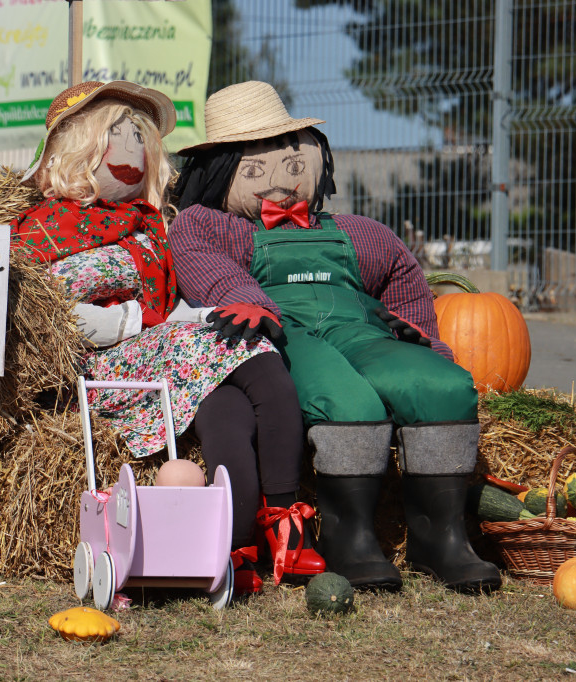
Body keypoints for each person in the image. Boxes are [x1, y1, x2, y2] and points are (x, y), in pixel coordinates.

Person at [170, 80, 502, 593]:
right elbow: (201, 261)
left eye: (289, 157)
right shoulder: (213, 224)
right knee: (345, 400)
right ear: (221, 169)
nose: (279, 177)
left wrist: (415, 329)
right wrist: (248, 300)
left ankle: (441, 538)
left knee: (442, 384)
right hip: (284, 330)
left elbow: (400, 272)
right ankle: (351, 538)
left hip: (359, 328)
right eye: (254, 164)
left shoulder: (358, 230)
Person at [11, 81, 325, 593]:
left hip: (158, 353)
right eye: (117, 135)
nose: (132, 150)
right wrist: (127, 321)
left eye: (140, 136)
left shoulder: (151, 226)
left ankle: (242, 542)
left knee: (228, 398)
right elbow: (42, 314)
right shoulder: (41, 228)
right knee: (249, 347)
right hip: (101, 372)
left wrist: (200, 318)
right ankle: (288, 525)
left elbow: (170, 304)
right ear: (80, 147)